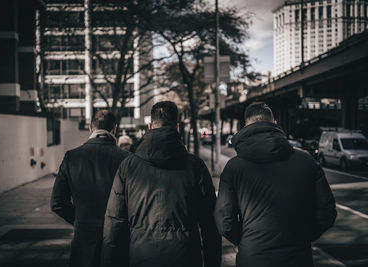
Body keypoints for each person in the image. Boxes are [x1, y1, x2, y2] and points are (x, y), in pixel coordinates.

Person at [214, 102, 337, 267]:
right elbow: (327, 212)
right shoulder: (306, 161)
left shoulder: (234, 167)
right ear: (275, 124)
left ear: (245, 126)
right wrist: (302, 237)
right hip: (298, 258)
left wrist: (246, 241)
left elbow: (224, 221)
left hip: (253, 258)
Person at [102, 101, 221, 267]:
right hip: (186, 256)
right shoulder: (195, 166)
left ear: (150, 126)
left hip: (141, 256)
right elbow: (210, 224)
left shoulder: (128, 167)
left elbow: (114, 222)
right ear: (176, 126)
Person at [50, 110, 129, 267]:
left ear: (90, 129)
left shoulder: (72, 157)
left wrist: (80, 220)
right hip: (117, 239)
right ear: (114, 129)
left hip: (83, 239)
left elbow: (57, 202)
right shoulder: (127, 159)